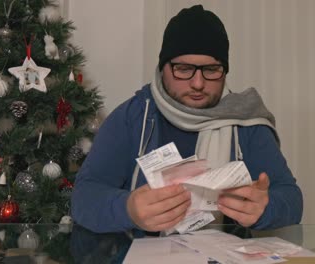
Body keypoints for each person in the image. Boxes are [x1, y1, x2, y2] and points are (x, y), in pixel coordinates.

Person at [71, 4, 303, 234]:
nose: (198, 83)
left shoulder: (245, 122)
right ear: (163, 69)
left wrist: (265, 208)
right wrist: (128, 209)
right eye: (183, 69)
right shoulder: (132, 118)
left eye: (211, 70)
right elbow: (84, 197)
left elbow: (291, 199)